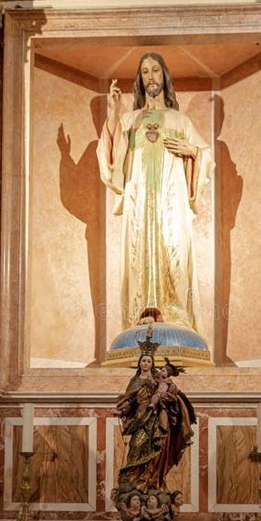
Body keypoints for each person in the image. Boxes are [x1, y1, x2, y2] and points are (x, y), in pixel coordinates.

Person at [97, 52, 214, 333]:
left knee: (173, 250)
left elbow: (207, 157)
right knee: (138, 253)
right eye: (146, 71)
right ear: (140, 79)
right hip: (139, 202)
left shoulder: (180, 121)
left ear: (165, 77)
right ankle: (139, 319)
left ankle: (176, 320)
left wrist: (193, 151)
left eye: (156, 71)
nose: (151, 76)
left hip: (171, 202)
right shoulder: (130, 119)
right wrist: (114, 112)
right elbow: (110, 158)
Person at [115, 348, 195, 494]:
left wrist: (166, 399)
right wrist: (122, 410)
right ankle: (133, 479)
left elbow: (171, 393)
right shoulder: (135, 381)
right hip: (140, 418)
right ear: (139, 363)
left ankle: (150, 481)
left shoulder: (158, 379)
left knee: (157, 450)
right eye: (143, 361)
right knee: (136, 445)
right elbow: (130, 400)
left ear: (152, 364)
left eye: (148, 361)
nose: (145, 363)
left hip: (155, 418)